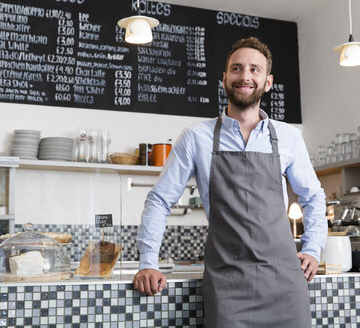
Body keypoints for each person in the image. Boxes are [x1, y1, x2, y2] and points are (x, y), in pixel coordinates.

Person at [133, 36, 327, 327]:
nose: (245, 76)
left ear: (268, 81)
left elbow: (313, 197)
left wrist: (313, 248)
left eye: (254, 69)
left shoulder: (288, 137)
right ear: (224, 79)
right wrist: (148, 262)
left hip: (284, 285)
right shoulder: (196, 137)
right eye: (236, 69)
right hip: (227, 286)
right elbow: (160, 200)